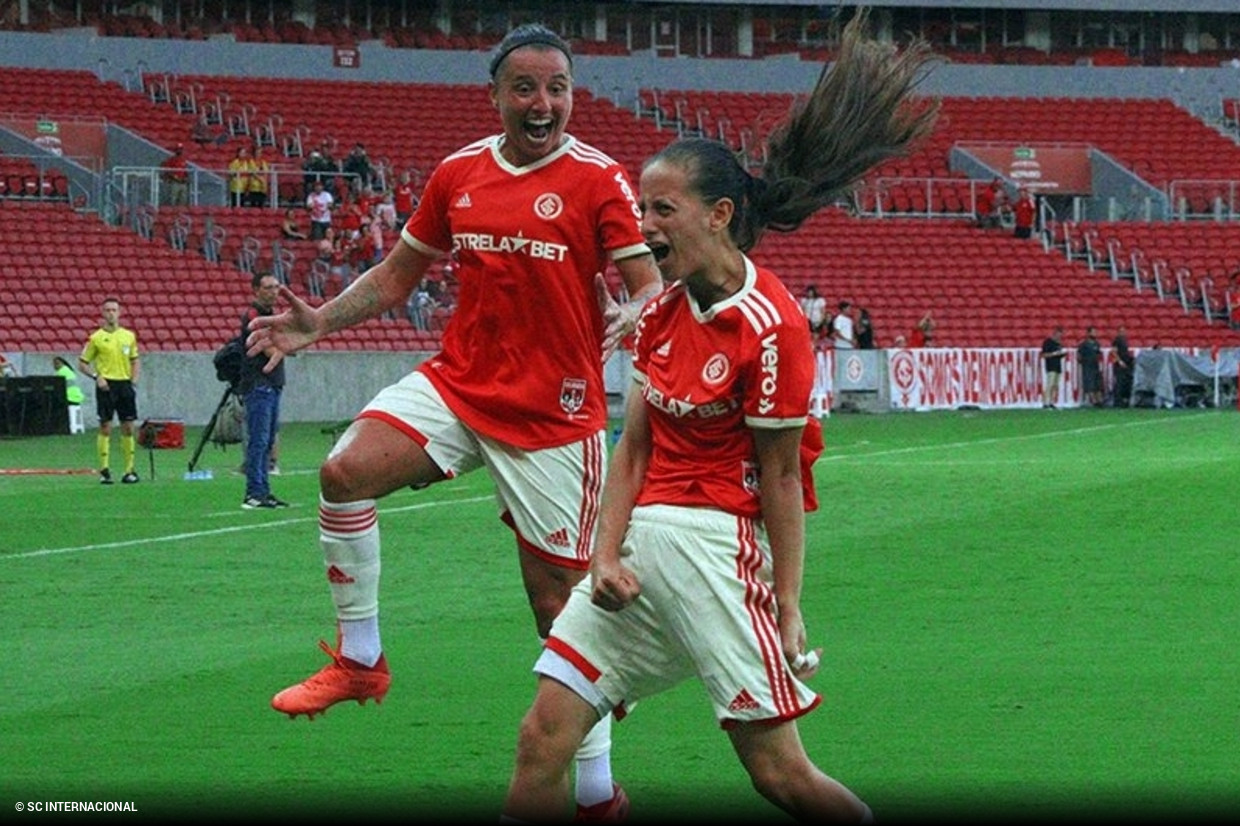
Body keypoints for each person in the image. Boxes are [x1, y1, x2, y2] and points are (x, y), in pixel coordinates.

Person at [501, 9, 938, 821]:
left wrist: (790, 596)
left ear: (718, 216)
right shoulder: (659, 311)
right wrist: (602, 555)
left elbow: (779, 474)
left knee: (781, 778)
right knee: (542, 738)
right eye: (642, 208)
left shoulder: (772, 331)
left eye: (663, 210)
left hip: (715, 558)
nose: (644, 226)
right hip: (638, 561)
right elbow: (630, 450)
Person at [248, 24, 663, 818]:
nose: (543, 104)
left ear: (572, 96)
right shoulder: (459, 172)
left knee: (561, 614)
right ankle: (363, 659)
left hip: (554, 417)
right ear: (496, 95)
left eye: (558, 89)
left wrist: (639, 309)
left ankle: (597, 795)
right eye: (527, 88)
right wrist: (320, 322)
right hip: (461, 385)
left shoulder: (598, 179)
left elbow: (647, 282)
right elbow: (400, 274)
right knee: (342, 471)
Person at [239, 272, 289, 510]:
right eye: (268, 287)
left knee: (267, 440)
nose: (274, 292)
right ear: (256, 290)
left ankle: (263, 490)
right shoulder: (253, 317)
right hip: (260, 383)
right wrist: (286, 346)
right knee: (258, 440)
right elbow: (274, 350)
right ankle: (254, 491)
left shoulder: (273, 317)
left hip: (273, 382)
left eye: (276, 287)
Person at [78, 297, 141, 484]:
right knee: (105, 426)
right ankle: (104, 470)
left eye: (114, 310)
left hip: (124, 384)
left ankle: (129, 470)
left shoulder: (128, 336)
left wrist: (134, 381)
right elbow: (82, 363)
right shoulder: (96, 338)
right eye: (107, 310)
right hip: (106, 386)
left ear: (119, 312)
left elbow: (135, 359)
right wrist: (97, 377)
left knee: (128, 426)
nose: (111, 313)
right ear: (102, 313)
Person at [1040, 325, 1068, 408]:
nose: (1060, 336)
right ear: (1054, 333)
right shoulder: (1048, 342)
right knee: (1050, 384)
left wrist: (1062, 354)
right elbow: (1044, 355)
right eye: (1059, 334)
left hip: (1058, 366)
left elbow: (1060, 355)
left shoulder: (1059, 344)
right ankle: (1045, 403)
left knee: (1055, 385)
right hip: (1050, 366)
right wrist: (1054, 354)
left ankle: (1051, 402)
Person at [1076, 325, 1103, 407]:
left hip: (1096, 366)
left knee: (1097, 384)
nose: (1095, 333)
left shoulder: (1097, 344)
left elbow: (1099, 354)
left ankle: (1099, 401)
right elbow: (1079, 355)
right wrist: (1083, 362)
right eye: (1093, 332)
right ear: (1088, 333)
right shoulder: (1083, 344)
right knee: (1089, 384)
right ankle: (1093, 401)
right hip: (1087, 367)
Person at [1111, 325, 1134, 407]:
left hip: (1125, 363)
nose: (1123, 333)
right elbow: (1114, 352)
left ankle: (1123, 400)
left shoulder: (1124, 341)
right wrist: (1119, 361)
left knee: (1124, 382)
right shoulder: (1116, 340)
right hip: (1120, 364)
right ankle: (1117, 401)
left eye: (1124, 331)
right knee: (1119, 383)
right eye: (1121, 331)